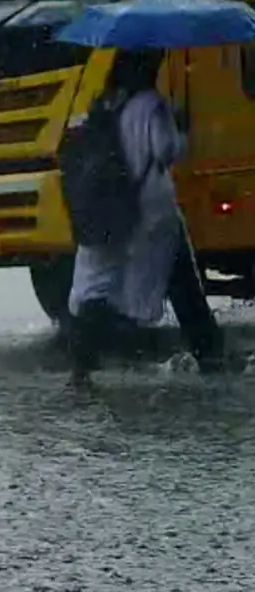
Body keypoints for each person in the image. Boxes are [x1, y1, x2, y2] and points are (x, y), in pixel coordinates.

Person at [67, 50, 224, 387]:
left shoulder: (103, 103)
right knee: (181, 283)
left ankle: (84, 360)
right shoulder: (151, 105)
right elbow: (168, 150)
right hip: (153, 209)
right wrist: (180, 127)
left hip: (111, 207)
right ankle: (208, 352)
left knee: (101, 283)